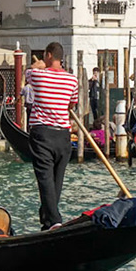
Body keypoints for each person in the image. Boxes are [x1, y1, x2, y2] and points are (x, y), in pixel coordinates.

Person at [22, 42, 80, 230]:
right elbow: (71, 105)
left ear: (47, 56)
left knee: (45, 180)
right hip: (63, 135)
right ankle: (47, 219)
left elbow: (27, 73)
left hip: (42, 134)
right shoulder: (73, 80)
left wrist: (36, 65)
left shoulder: (38, 75)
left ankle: (54, 220)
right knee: (56, 181)